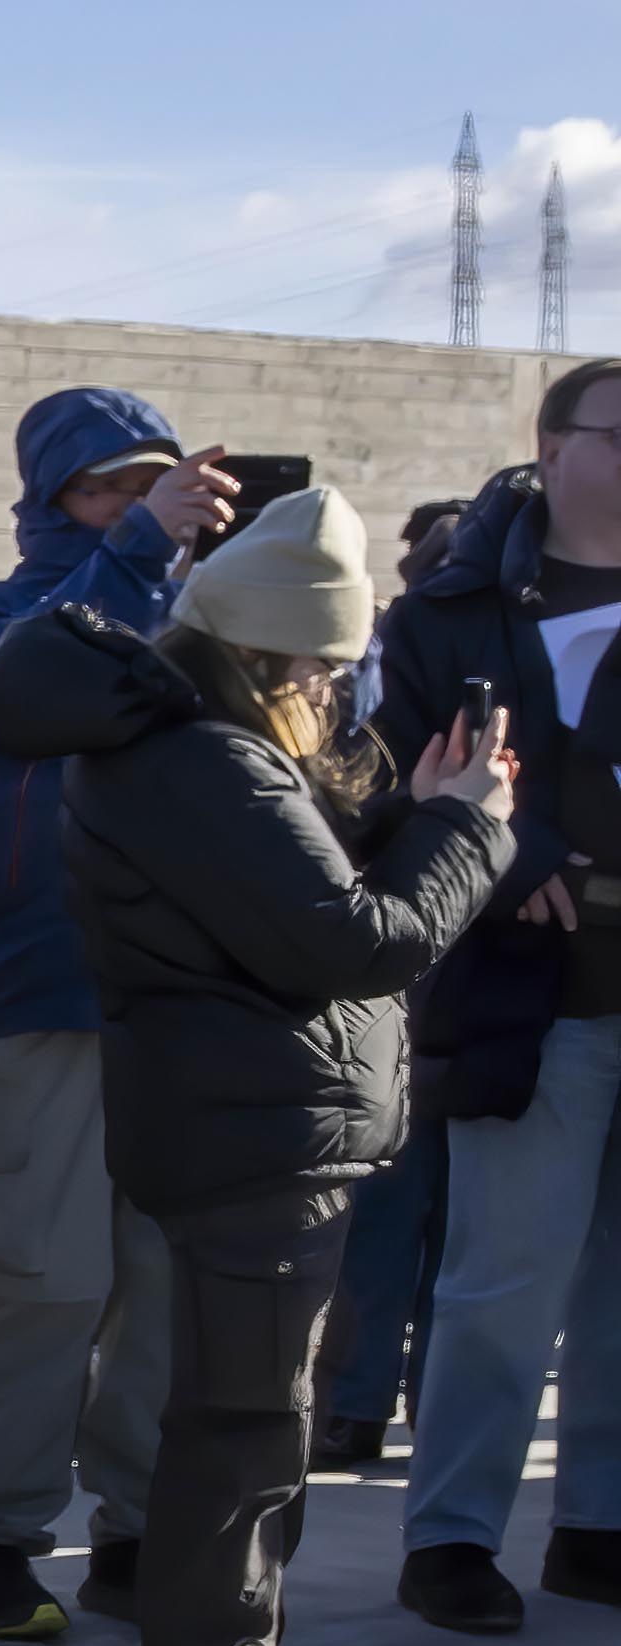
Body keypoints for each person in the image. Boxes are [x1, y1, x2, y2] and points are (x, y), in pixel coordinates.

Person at [0, 490, 505, 1646]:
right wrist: (468, 829)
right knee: (236, 1436)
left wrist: (412, 811)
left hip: (247, 1127)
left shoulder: (193, 748)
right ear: (276, 661)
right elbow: (351, 940)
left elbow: (305, 890)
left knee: (246, 1429)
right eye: (326, 671)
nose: (337, 694)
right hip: (252, 1138)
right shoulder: (203, 763)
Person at [0, 389, 236, 1640]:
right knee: (44, 1283)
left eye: (152, 482)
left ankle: (137, 1536)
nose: (133, 502)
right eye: (105, 485)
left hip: (183, 1004)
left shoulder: (200, 622)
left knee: (163, 1292)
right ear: (50, 501)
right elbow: (28, 685)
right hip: (36, 996)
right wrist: (140, 551)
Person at [370, 374, 621, 1629]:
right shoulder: (450, 611)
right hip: (528, 996)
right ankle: (452, 1538)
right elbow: (383, 783)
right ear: (551, 450)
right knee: (497, 1284)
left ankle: (599, 1525)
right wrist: (504, 858)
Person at [315, 492, 470, 1471]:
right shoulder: (352, 669)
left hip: (472, 974)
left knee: (446, 1219)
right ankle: (363, 1405)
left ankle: (405, 1406)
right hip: (392, 971)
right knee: (390, 1209)